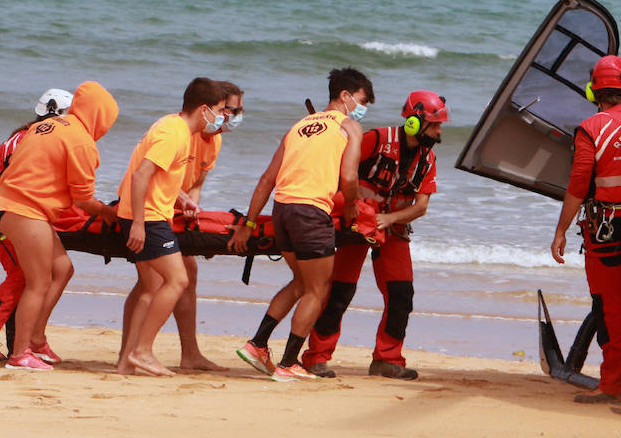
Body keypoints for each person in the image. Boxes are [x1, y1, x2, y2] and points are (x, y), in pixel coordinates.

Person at [230, 68, 372, 381]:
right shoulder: (349, 127)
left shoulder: (298, 127)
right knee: (317, 290)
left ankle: (257, 345)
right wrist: (351, 207)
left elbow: (267, 179)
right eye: (362, 101)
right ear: (346, 96)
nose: (363, 110)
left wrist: (249, 223)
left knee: (301, 283)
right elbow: (349, 178)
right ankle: (289, 363)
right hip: (310, 213)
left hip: (283, 210)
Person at [302, 90, 449, 380]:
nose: (439, 131)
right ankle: (316, 357)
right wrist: (358, 210)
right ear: (413, 123)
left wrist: (387, 219)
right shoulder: (376, 139)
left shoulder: (428, 159)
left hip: (391, 228)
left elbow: (421, 207)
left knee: (401, 295)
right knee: (340, 291)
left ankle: (387, 359)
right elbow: (340, 169)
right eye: (434, 124)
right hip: (356, 222)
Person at [549, 55, 621, 403]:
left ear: (593, 91)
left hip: (606, 228)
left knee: (609, 304)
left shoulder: (591, 129)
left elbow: (577, 183)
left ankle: (613, 383)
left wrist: (561, 230)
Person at [0, 81, 120, 372]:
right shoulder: (81, 142)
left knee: (63, 268)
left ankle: (36, 340)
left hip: (11, 205)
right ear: (98, 116)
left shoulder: (47, 125)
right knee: (38, 283)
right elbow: (83, 198)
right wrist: (108, 213)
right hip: (24, 211)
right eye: (107, 122)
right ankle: (20, 354)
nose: (106, 129)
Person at [118, 80, 243, 372]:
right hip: (146, 215)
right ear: (205, 109)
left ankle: (129, 361)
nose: (227, 117)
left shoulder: (186, 132)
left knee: (157, 284)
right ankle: (142, 351)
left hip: (158, 212)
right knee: (175, 280)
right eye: (223, 111)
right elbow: (140, 177)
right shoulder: (174, 133)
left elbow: (171, 180)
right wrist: (137, 223)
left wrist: (183, 200)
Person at [0, 88, 73, 362]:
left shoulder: (28, 135)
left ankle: (17, 344)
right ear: (58, 116)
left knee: (28, 273)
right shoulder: (30, 140)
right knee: (24, 274)